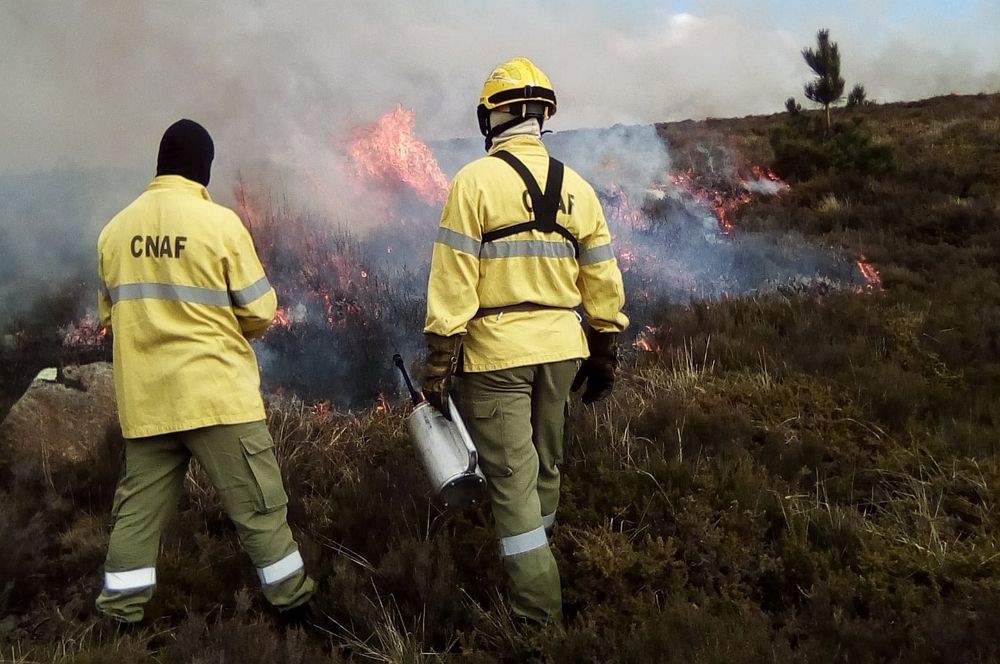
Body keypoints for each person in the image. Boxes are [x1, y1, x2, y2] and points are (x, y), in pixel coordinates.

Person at [422, 57, 628, 624]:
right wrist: (605, 346)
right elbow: (604, 277)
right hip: (563, 349)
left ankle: (537, 621)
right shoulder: (579, 189)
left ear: (495, 116)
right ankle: (541, 557)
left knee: (511, 483)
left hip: (496, 356)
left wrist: (440, 358)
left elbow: (454, 277)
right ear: (541, 116)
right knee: (546, 466)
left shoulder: (473, 182)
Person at [94, 119, 315, 624]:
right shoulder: (219, 224)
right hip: (218, 399)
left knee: (136, 515)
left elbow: (109, 315)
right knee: (261, 508)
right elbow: (260, 310)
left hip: (147, 401)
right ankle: (294, 605)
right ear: (203, 170)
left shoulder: (114, 231)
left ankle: (118, 615)